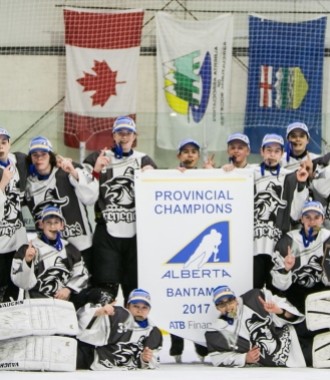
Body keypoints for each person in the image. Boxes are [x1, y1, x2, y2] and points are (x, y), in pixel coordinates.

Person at [83, 116, 157, 304]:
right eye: (120, 133)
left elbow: (158, 198)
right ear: (113, 135)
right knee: (105, 290)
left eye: (128, 133)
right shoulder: (96, 157)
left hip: (135, 236)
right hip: (106, 234)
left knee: (135, 290)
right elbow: (85, 194)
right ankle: (106, 330)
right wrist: (95, 171)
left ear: (134, 136)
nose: (124, 137)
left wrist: (154, 178)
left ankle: (133, 331)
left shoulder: (144, 160)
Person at [24, 136, 98, 274]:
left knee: (83, 291)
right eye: (35, 154)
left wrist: (74, 172)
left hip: (81, 247)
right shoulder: (28, 184)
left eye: (43, 154)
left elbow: (91, 197)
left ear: (51, 156)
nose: (39, 158)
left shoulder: (67, 171)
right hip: (49, 252)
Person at [168, 138, 210, 363]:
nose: (190, 155)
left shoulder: (207, 175)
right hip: (178, 245)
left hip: (200, 244)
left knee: (198, 297)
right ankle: (176, 347)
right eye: (186, 152)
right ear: (179, 156)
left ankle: (201, 349)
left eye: (194, 151)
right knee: (178, 300)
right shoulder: (171, 176)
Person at [253, 133, 309, 289]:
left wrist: (301, 184)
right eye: (269, 149)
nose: (272, 154)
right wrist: (226, 170)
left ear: (282, 154)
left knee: (276, 294)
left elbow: (296, 214)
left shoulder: (290, 177)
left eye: (277, 151)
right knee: (255, 292)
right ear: (262, 151)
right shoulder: (250, 174)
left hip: (277, 246)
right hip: (252, 247)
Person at [205, 285, 307, 367]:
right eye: (222, 304)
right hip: (292, 359)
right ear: (217, 308)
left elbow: (292, 315)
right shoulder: (216, 333)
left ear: (235, 300)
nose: (228, 307)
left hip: (296, 335)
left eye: (230, 301)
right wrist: (244, 358)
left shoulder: (255, 298)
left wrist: (279, 311)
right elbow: (218, 359)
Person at [11, 205, 90, 307]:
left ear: (62, 225)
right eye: (48, 223)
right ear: (41, 225)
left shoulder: (71, 249)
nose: (52, 227)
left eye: (56, 222)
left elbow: (82, 274)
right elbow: (21, 283)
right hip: (35, 306)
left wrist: (68, 289)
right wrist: (27, 261)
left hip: (63, 306)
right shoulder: (27, 249)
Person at [76, 288, 162, 370]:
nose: (140, 311)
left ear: (149, 310)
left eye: (144, 307)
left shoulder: (153, 332)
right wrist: (98, 313)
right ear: (127, 306)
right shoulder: (117, 314)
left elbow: (153, 361)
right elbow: (84, 333)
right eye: (136, 306)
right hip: (91, 358)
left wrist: (145, 359)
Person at [271, 200, 330, 313]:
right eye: (307, 217)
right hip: (295, 293)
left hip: (321, 289)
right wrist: (286, 269)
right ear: (301, 219)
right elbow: (279, 286)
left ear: (322, 219)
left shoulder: (328, 238)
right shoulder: (288, 241)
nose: (312, 221)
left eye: (317, 217)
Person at [0, 127, 28, 302]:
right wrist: (3, 182)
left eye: (3, 142)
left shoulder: (19, 161)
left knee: (14, 294)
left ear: (9, 144)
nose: (0, 147)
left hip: (16, 241)